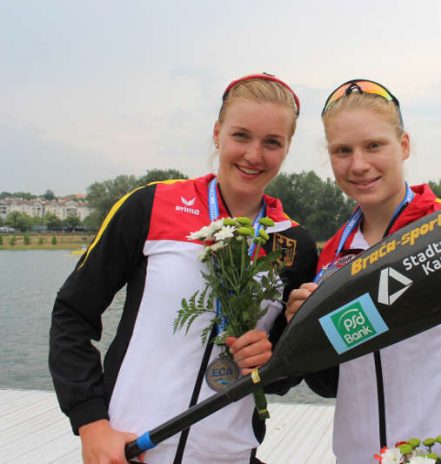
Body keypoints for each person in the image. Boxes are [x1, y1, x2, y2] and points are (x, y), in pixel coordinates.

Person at [49, 73, 318, 464]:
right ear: (217, 133)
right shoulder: (149, 205)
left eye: (272, 142)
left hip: (229, 455)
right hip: (131, 450)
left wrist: (270, 355)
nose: (254, 155)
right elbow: (72, 314)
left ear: (287, 148)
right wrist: (90, 423)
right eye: (241, 135)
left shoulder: (295, 244)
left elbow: (283, 377)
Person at [286, 79, 441, 464]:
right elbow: (330, 383)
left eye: (374, 146)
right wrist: (306, 330)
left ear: (404, 145)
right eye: (342, 151)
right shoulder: (332, 255)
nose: (359, 164)